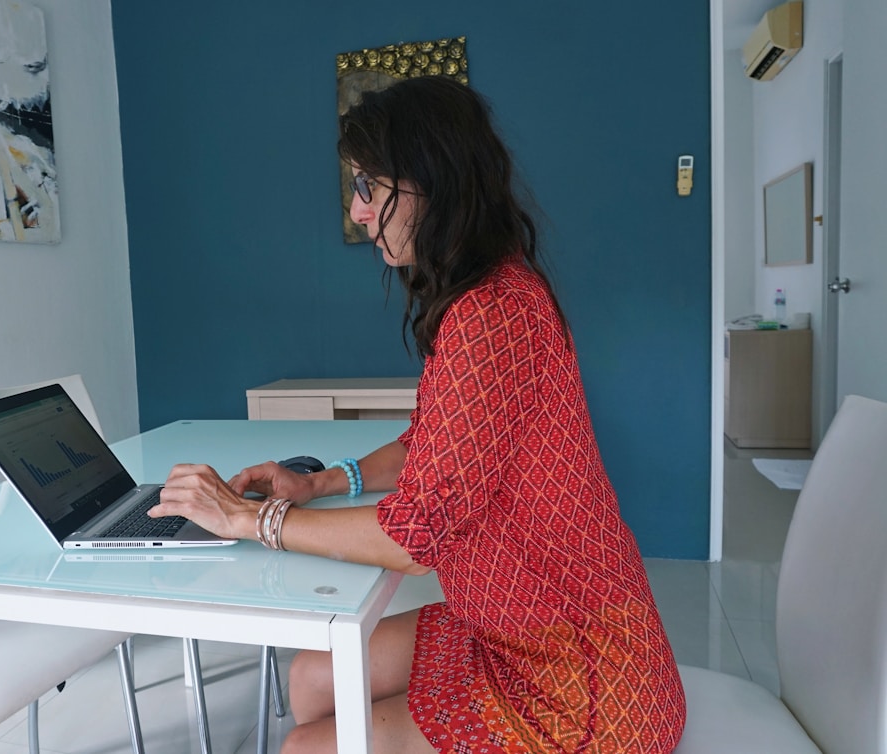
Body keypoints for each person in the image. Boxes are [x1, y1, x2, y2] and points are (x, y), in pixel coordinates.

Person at [150, 76, 686, 753]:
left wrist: (249, 520)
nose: (359, 212)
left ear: (436, 181)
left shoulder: (492, 314)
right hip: (512, 624)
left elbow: (413, 536)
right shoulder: (488, 297)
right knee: (312, 680)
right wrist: (317, 484)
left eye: (370, 188)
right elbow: (432, 444)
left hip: (580, 679)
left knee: (302, 746)